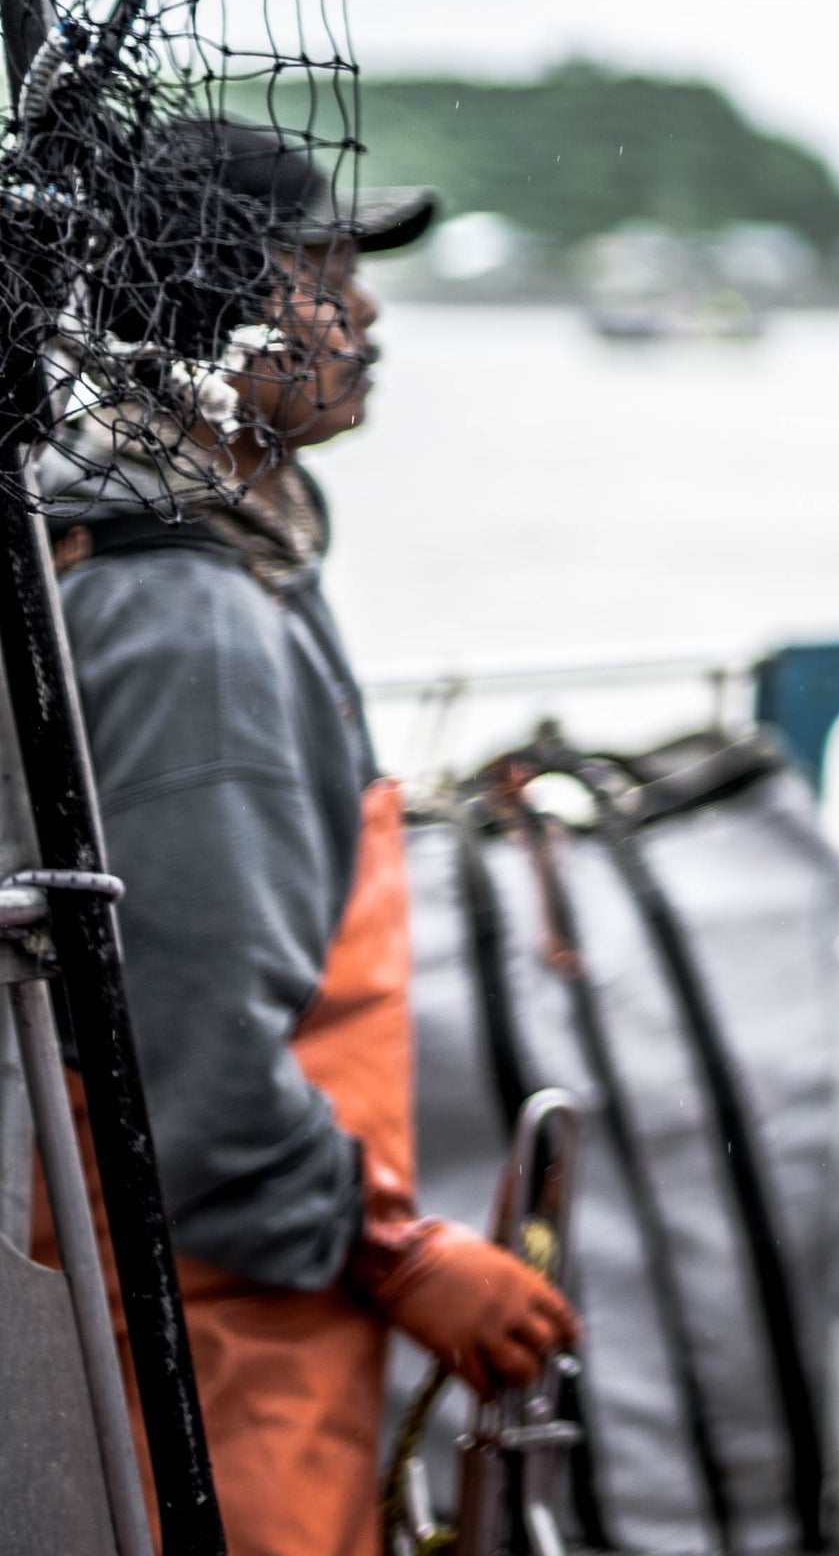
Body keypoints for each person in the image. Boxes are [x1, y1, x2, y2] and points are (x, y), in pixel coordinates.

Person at [43, 120, 574, 1556]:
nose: (372, 312)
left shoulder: (183, 543)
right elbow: (189, 1065)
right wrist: (396, 1254)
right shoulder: (187, 617)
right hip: (206, 1346)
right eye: (329, 268)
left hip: (221, 1302)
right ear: (218, 304)